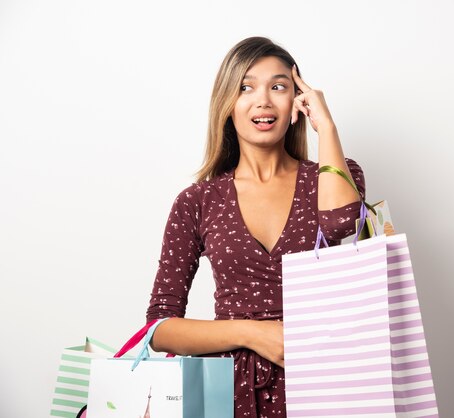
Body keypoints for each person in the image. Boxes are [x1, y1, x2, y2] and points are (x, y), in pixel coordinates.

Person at [145, 36, 366, 418]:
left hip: (323, 381)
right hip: (227, 394)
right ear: (228, 103)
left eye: (278, 87)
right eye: (246, 87)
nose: (263, 100)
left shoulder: (331, 177)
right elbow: (159, 328)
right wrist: (252, 332)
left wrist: (326, 127)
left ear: (297, 101)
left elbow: (341, 222)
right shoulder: (198, 200)